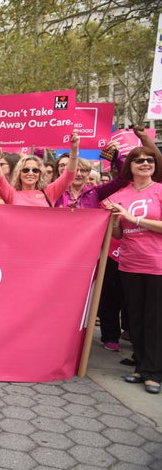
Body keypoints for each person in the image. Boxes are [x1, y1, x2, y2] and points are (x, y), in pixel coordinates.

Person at [107, 145, 162, 394]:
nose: (145, 163)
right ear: (129, 166)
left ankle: (153, 372)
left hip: (156, 264)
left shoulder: (160, 191)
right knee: (136, 320)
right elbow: (119, 233)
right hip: (129, 263)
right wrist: (116, 221)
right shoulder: (121, 194)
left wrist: (134, 218)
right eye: (138, 160)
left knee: (154, 320)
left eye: (149, 160)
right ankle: (140, 366)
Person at [0, 132, 79, 206]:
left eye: (35, 170)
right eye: (25, 170)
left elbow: (68, 176)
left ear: (40, 174)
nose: (30, 173)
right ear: (19, 173)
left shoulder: (49, 192)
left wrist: (74, 150)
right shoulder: (11, 194)